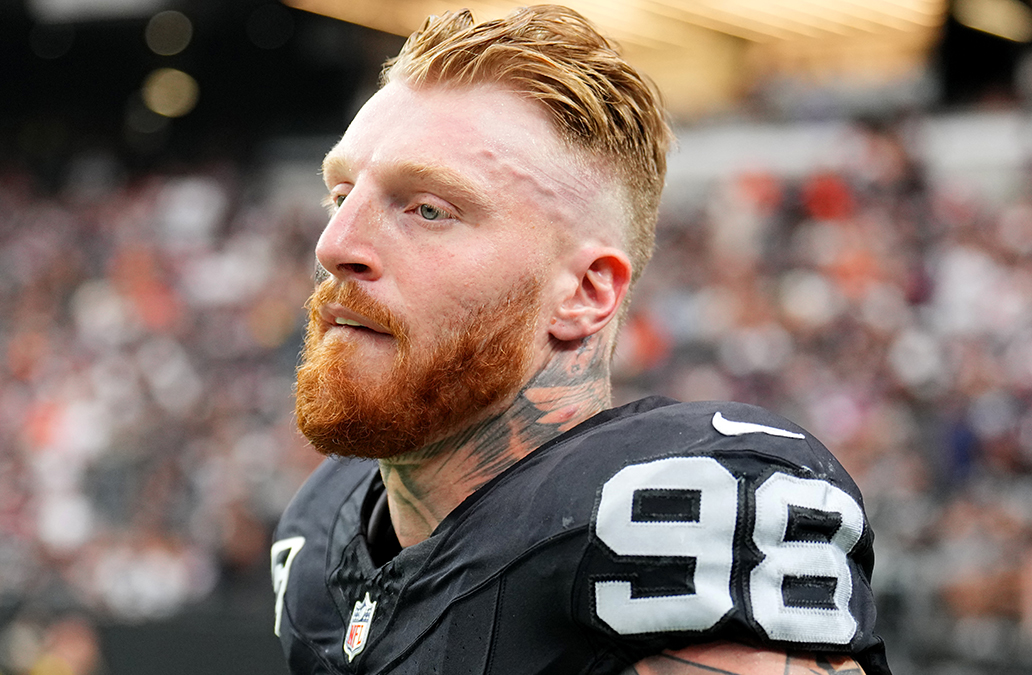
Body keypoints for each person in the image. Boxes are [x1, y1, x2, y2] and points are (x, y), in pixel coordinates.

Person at [271, 5, 891, 674]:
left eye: (428, 209)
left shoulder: (664, 526)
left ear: (585, 292)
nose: (334, 245)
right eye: (341, 196)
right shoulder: (322, 538)